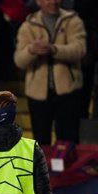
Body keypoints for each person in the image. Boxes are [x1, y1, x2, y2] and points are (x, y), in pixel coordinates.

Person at [14, 0, 86, 146]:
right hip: (37, 95)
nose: (53, 2)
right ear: (38, 2)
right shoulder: (28, 26)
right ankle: (44, 169)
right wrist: (31, 51)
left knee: (68, 141)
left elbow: (80, 50)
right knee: (41, 142)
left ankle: (66, 169)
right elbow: (19, 61)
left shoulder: (73, 21)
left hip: (68, 92)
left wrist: (54, 49)